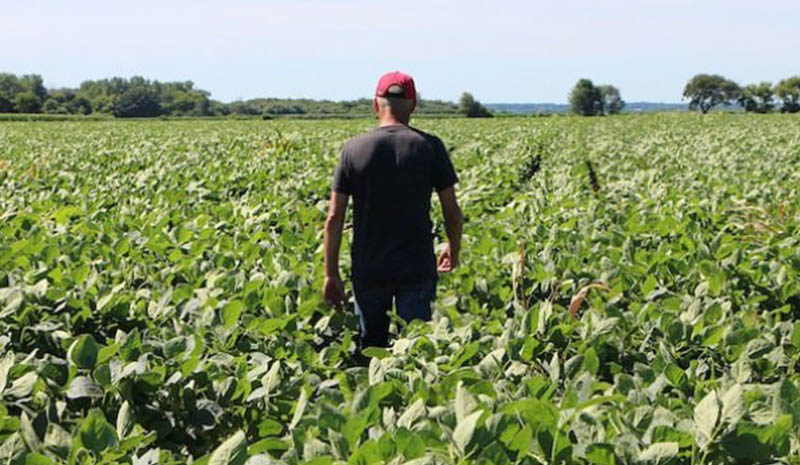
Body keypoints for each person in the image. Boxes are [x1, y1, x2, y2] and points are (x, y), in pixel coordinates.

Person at [322, 71, 463, 349]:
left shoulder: (353, 149)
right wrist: (453, 248)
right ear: (413, 105)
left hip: (369, 267)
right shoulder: (430, 147)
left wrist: (331, 273)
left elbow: (334, 217)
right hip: (416, 268)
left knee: (371, 351)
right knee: (416, 351)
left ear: (376, 104)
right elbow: (452, 212)